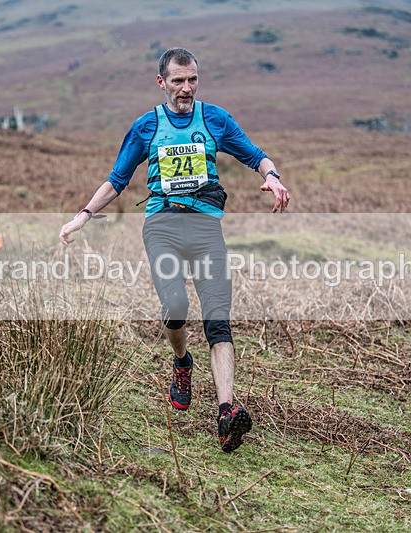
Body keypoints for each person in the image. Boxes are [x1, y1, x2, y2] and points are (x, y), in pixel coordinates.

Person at [59, 47, 290, 452]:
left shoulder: (215, 118)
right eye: (178, 81)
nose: (186, 88)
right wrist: (83, 215)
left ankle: (225, 413)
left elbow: (255, 155)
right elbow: (117, 179)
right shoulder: (146, 126)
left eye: (193, 80)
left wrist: (272, 177)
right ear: (162, 82)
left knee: (219, 321)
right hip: (162, 226)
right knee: (176, 308)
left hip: (205, 228)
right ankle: (183, 363)